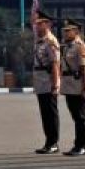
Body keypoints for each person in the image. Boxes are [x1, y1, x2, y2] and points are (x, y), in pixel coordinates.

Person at [31, 10, 62, 154]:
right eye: (36, 24)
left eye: (39, 24)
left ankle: (53, 142)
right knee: (45, 113)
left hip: (48, 82)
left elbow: (55, 64)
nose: (36, 26)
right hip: (41, 82)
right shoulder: (39, 41)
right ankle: (48, 141)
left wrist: (55, 85)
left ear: (47, 24)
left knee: (51, 113)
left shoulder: (51, 41)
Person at [58, 20, 85, 156]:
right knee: (76, 116)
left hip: (78, 86)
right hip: (69, 86)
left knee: (81, 116)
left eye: (68, 31)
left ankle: (82, 146)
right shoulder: (67, 47)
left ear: (76, 32)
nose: (65, 33)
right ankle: (77, 145)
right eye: (64, 31)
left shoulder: (80, 47)